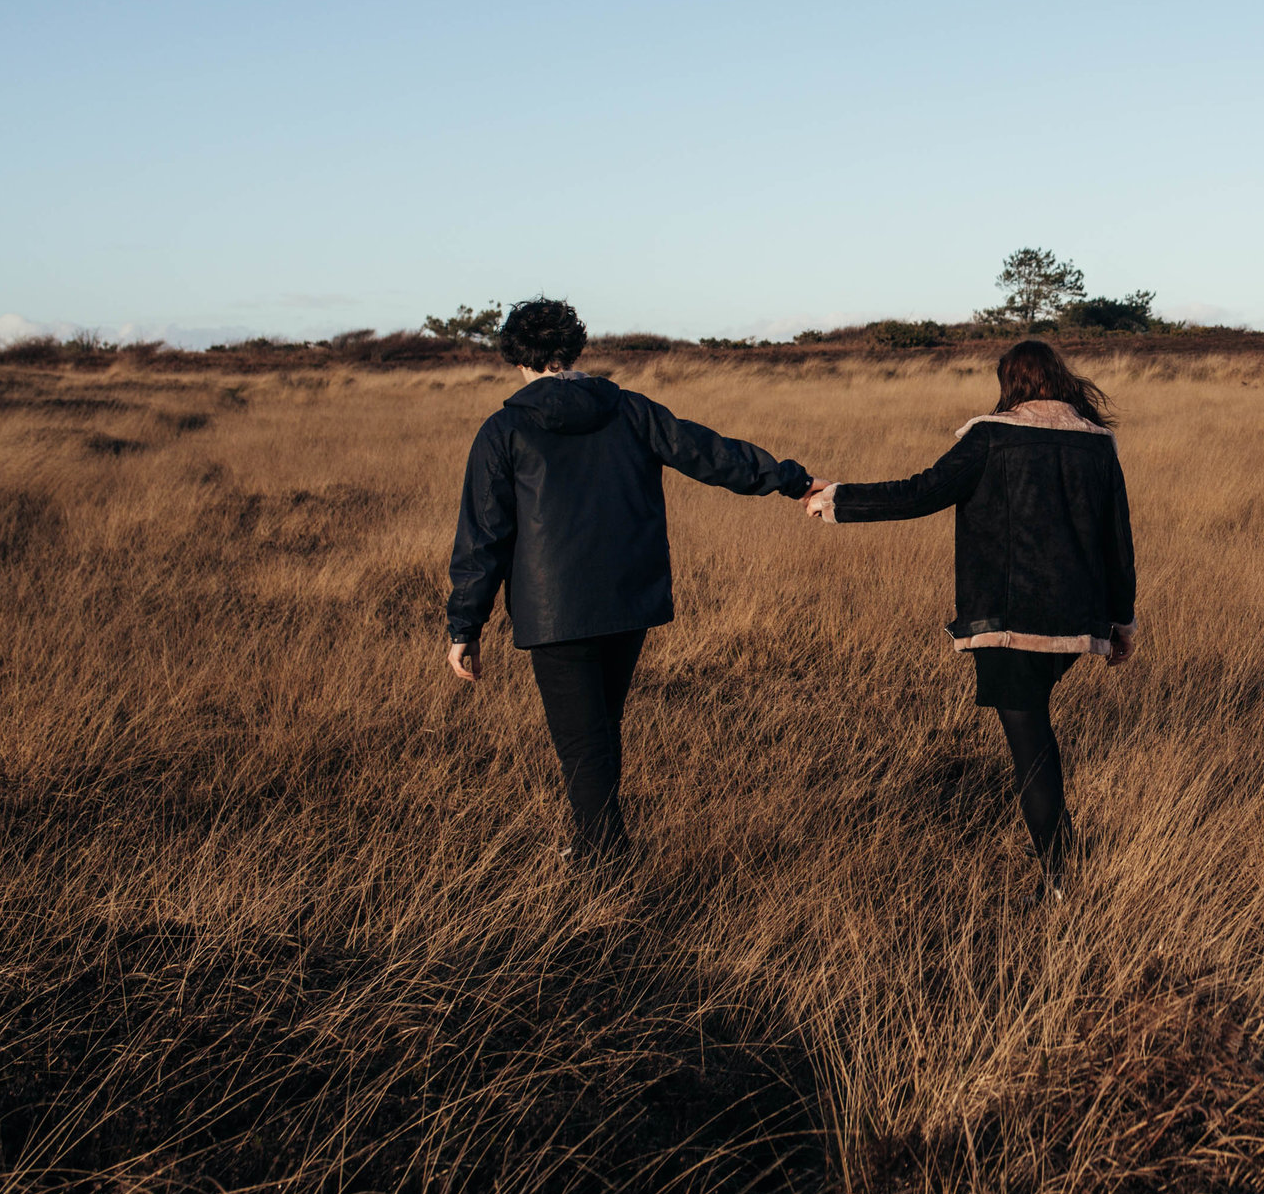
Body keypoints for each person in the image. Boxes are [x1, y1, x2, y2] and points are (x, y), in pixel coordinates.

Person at [446, 298, 813, 861]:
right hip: (627, 602)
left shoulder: (504, 429)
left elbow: (483, 535)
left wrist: (464, 625)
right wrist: (789, 479)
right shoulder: (630, 410)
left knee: (583, 744)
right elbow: (711, 455)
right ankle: (593, 847)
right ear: (576, 346)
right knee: (597, 733)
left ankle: (605, 869)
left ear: (513, 355)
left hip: (555, 614)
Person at [805, 339, 1137, 903]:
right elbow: (1117, 541)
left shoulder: (991, 436)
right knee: (1033, 726)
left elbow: (922, 492)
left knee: (1031, 742)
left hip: (1010, 623)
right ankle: (1062, 867)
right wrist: (1120, 623)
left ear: (1009, 383)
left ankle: (1061, 880)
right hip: (1074, 623)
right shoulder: (1096, 445)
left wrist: (836, 499)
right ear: (1060, 379)